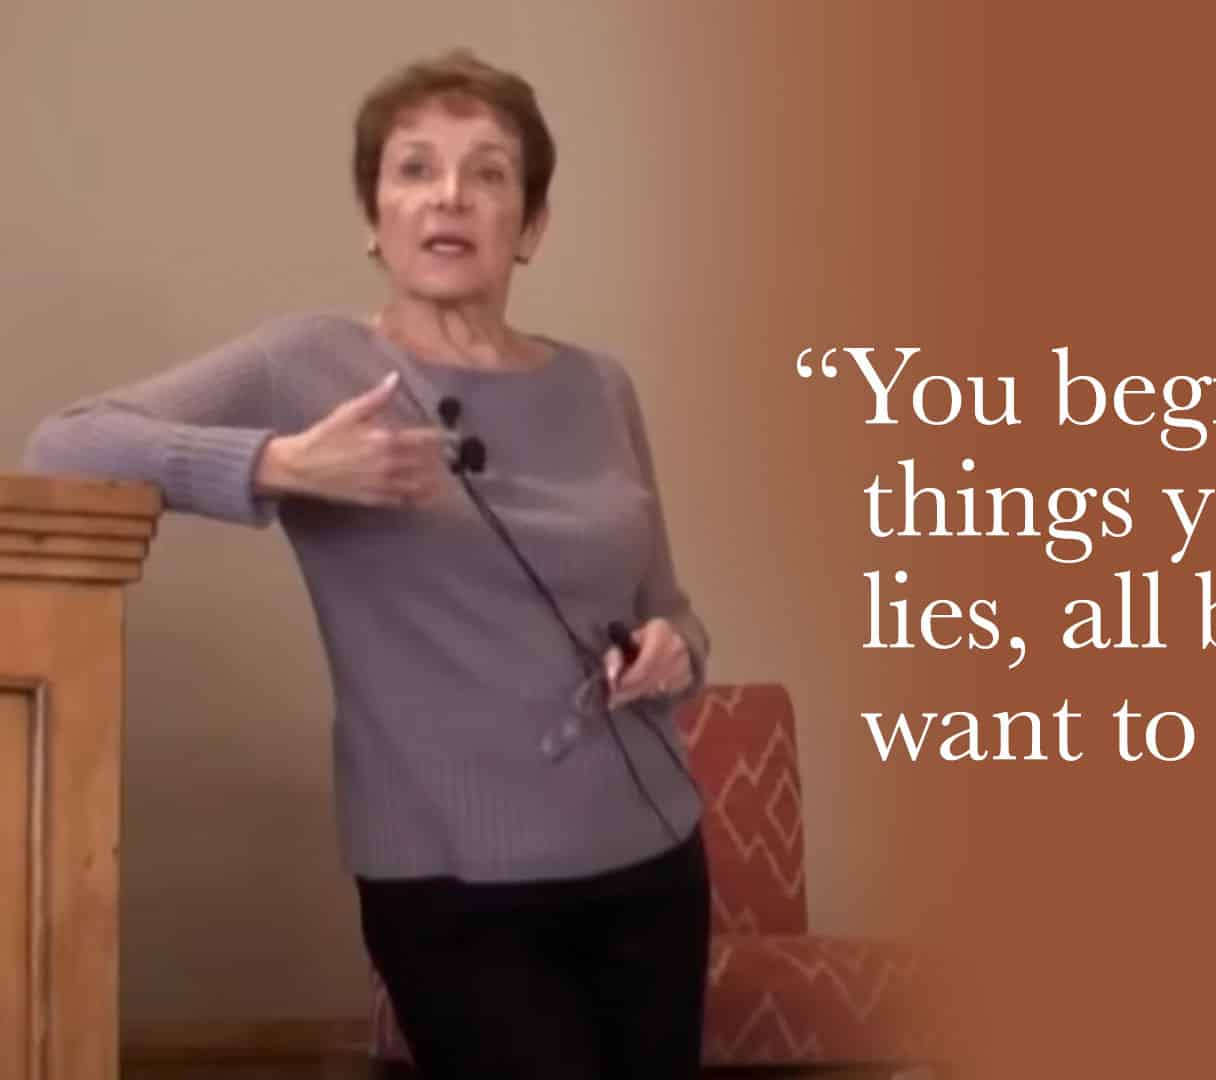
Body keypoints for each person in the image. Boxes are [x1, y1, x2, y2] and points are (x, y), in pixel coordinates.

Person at [24, 48, 712, 1079]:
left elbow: (675, 611)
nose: (449, 195)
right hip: (454, 887)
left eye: (488, 173)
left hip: (653, 855)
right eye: (415, 168)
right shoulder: (312, 364)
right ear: (373, 216)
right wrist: (279, 464)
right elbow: (64, 444)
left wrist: (675, 651)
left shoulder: (601, 387)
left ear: (530, 226)